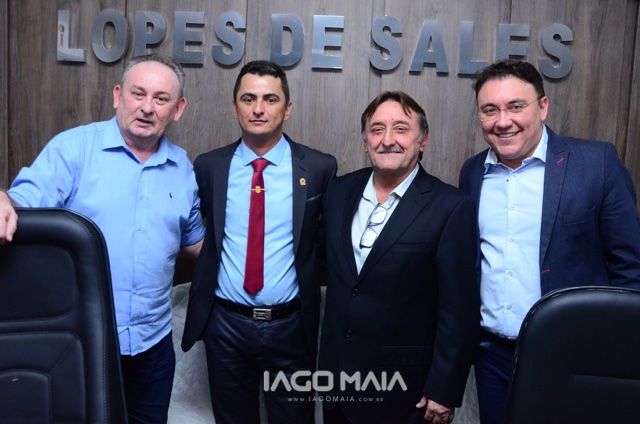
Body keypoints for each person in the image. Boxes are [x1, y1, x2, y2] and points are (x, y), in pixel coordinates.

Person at [0, 54, 205, 424]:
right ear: (117, 95)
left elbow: (194, 244)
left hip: (153, 346)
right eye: (138, 93)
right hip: (81, 344)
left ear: (178, 109)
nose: (147, 107)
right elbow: (19, 208)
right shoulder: (73, 149)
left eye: (160, 99)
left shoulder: (183, 168)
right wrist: (2, 198)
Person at [458, 59, 640, 424]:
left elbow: (630, 268)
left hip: (577, 356)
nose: (503, 121)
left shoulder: (596, 163)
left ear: (542, 106)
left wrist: (614, 352)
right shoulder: (473, 172)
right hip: (492, 356)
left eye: (516, 106)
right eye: (490, 110)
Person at [181, 60, 337, 424]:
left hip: (291, 327)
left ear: (287, 108)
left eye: (270, 99)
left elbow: (326, 244)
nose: (258, 109)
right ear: (234, 106)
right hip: (225, 325)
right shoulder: (209, 167)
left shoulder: (319, 168)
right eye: (248, 99)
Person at [318, 91, 479, 424]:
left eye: (401, 129)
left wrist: (443, 388)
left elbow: (458, 309)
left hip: (406, 390)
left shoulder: (450, 207)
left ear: (423, 140)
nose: (387, 140)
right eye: (377, 130)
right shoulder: (338, 192)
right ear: (365, 141)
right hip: (338, 380)